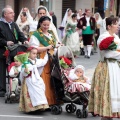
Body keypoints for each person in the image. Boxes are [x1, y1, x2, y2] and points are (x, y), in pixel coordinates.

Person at [88, 17, 120, 120]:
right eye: (116, 24)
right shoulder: (103, 37)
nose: (118, 26)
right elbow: (108, 54)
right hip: (106, 67)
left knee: (114, 92)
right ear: (109, 26)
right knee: (107, 92)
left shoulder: (116, 37)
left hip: (115, 67)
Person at [0, 6, 28, 97]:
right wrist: (6, 42)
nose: (13, 14)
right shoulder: (0, 24)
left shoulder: (14, 24)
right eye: (11, 13)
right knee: (1, 70)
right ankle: (2, 89)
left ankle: (15, 89)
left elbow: (20, 34)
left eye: (13, 12)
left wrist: (24, 40)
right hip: (3, 50)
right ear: (5, 14)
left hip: (14, 50)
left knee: (15, 68)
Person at [29, 16, 57, 106]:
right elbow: (33, 49)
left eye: (47, 25)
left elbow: (54, 45)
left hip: (51, 59)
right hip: (41, 59)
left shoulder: (51, 34)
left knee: (51, 79)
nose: (46, 27)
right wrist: (46, 48)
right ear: (40, 24)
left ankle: (52, 100)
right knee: (43, 80)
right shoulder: (36, 35)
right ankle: (44, 102)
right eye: (44, 25)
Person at [19, 47, 49, 112]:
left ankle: (41, 106)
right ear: (28, 54)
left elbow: (43, 62)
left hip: (36, 79)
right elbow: (23, 72)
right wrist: (25, 70)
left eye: (36, 53)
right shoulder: (26, 62)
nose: (35, 55)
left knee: (40, 91)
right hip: (29, 80)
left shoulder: (36, 61)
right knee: (31, 93)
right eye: (33, 53)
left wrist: (47, 54)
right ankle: (33, 108)